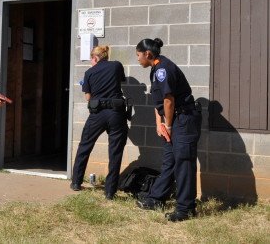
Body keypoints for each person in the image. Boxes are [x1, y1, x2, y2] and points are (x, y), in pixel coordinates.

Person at [135, 38, 202, 222]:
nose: (138, 59)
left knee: (184, 163)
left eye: (138, 55)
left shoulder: (163, 69)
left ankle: (185, 209)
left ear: (148, 54)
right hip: (174, 119)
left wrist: (169, 125)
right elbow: (159, 102)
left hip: (184, 119)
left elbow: (168, 100)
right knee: (169, 160)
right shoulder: (156, 69)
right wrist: (160, 124)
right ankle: (156, 199)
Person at [70, 46, 128, 200]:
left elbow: (88, 98)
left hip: (97, 115)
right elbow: (121, 81)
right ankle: (110, 192)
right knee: (115, 151)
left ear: (94, 58)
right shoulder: (116, 65)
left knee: (85, 146)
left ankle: (76, 182)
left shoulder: (89, 72)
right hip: (116, 113)